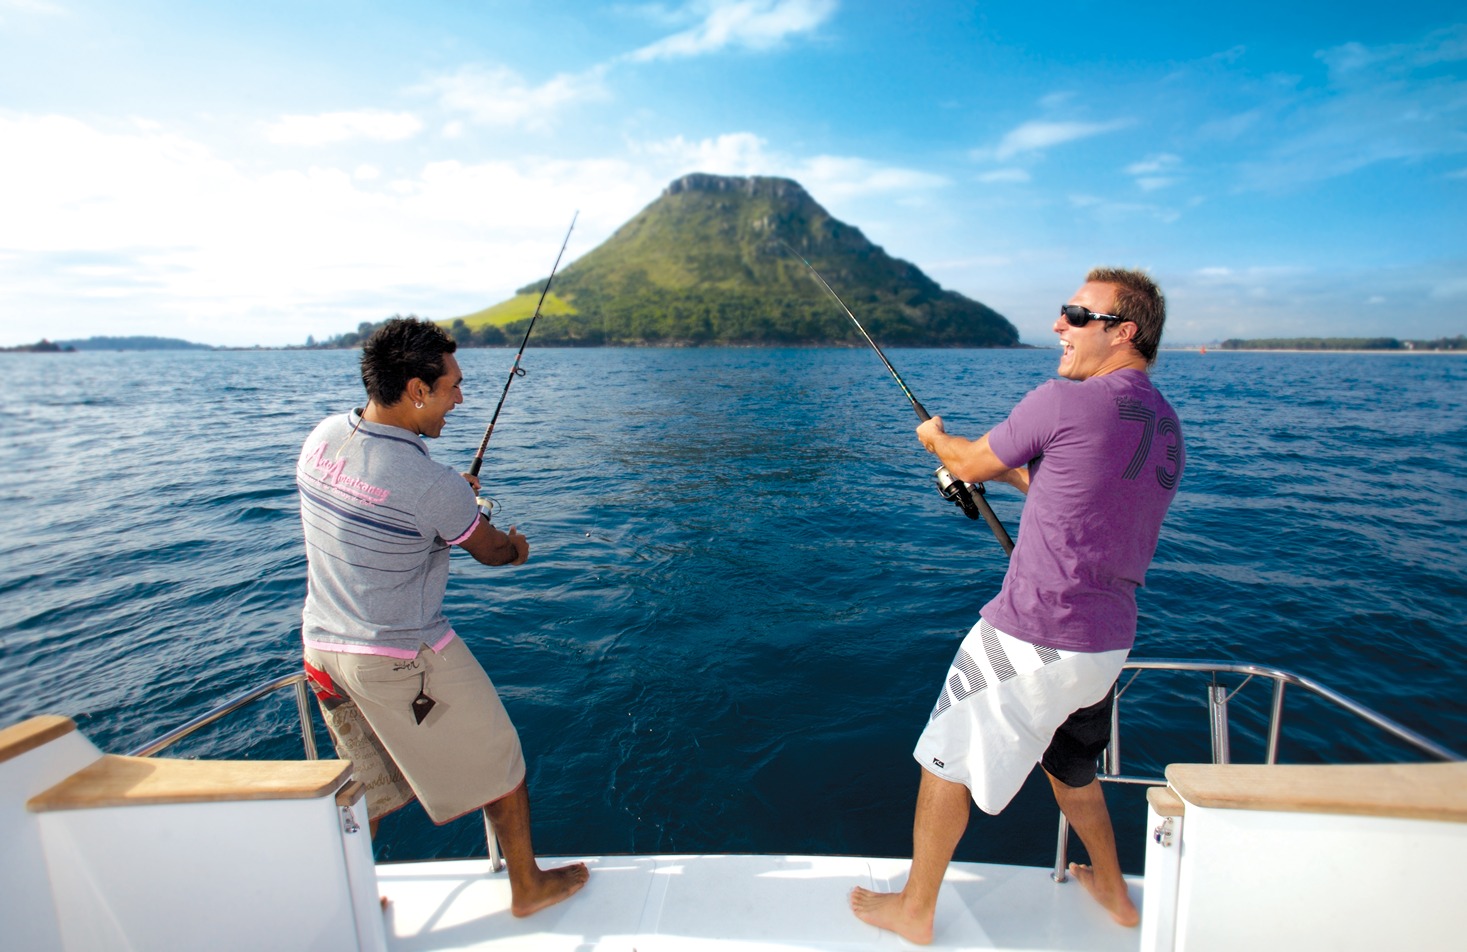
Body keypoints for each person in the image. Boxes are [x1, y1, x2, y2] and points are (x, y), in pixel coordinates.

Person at [850, 268, 1184, 943]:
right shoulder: (1165, 426)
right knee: (1069, 766)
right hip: (1104, 644)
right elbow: (1075, 494)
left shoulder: (1063, 400)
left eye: (1075, 315)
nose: (1058, 326)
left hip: (1034, 634)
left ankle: (914, 910)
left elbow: (965, 463)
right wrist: (1006, 469)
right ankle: (1116, 893)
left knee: (945, 757)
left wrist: (935, 442)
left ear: (1123, 332)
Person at [296, 317, 587, 917]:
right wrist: (516, 542)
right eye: (452, 385)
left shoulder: (323, 438)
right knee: (502, 760)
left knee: (367, 791)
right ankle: (528, 888)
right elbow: (494, 552)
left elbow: (386, 501)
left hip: (323, 650)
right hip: (401, 658)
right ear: (416, 390)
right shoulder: (432, 486)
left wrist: (449, 498)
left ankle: (345, 906)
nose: (461, 397)